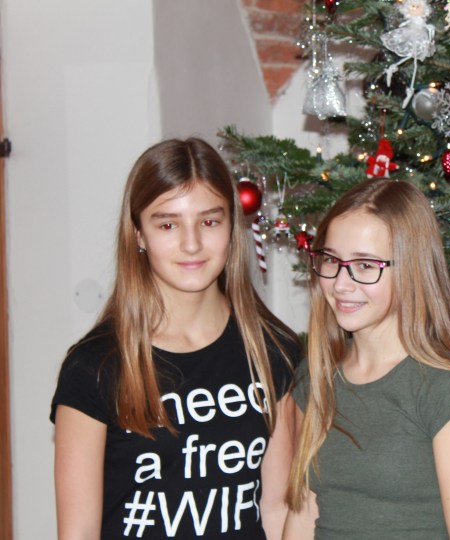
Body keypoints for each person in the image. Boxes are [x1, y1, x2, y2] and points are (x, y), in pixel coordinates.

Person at [51, 138, 300, 539]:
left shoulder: (273, 350)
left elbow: (276, 508)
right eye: (168, 224)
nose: (191, 244)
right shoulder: (95, 366)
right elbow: (78, 531)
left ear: (231, 226)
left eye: (209, 221)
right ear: (139, 234)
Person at [283, 179, 450, 539]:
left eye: (366, 265)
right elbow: (303, 512)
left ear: (413, 269)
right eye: (331, 260)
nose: (341, 283)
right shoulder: (315, 378)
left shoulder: (446, 393)